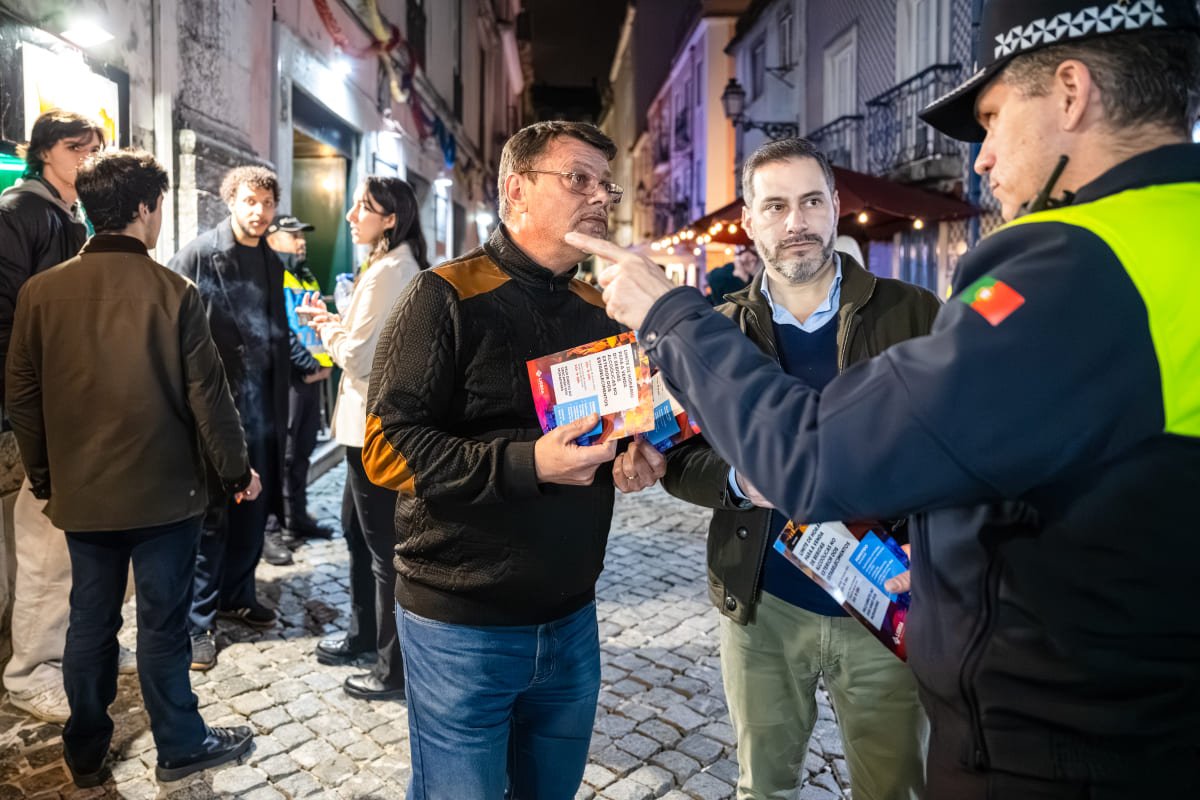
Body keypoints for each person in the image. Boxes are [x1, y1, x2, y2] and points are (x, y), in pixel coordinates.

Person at [574, 2, 1200, 797]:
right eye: (775, 206)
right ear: (753, 225)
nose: (982, 157)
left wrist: (669, 314)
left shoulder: (1077, 270)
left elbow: (815, 457)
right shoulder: (1171, 236)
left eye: (993, 118)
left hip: (1072, 744)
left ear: (1071, 93)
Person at [619, 138, 939, 800]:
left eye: (812, 202)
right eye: (776, 206)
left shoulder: (915, 313)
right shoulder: (714, 331)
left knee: (896, 789)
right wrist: (739, 483)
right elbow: (678, 459)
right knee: (763, 788)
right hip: (764, 605)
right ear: (750, 220)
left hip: (884, 605)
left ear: (836, 208)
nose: (796, 222)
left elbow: (956, 443)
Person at [364, 121, 648, 798]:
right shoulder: (443, 295)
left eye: (605, 185)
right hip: (461, 622)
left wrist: (635, 453)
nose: (600, 196)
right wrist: (529, 463)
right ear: (516, 190)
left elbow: (610, 433)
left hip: (572, 616)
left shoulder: (598, 309)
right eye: (578, 178)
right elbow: (385, 449)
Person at [5, 149, 256, 787]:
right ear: (145, 208)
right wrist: (236, 473)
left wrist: (45, 476)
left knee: (89, 621)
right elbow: (210, 399)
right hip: (166, 495)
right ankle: (180, 743)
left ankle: (85, 749)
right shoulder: (174, 292)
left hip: (83, 493)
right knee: (163, 625)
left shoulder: (41, 293)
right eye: (159, 204)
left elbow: (23, 397)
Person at [0, 109, 112, 723]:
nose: (87, 158)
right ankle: (30, 671)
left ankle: (69, 651)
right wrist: (28, 398)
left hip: (75, 394)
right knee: (45, 538)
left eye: (95, 148)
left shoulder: (71, 214)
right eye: (76, 148)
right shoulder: (20, 212)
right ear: (44, 152)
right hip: (45, 400)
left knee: (74, 540)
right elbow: (8, 318)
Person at [299, 177, 426, 701]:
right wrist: (334, 321)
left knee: (382, 550)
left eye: (363, 207)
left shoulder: (393, 270)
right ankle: (362, 636)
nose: (352, 216)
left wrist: (325, 330)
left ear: (390, 219)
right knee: (356, 534)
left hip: (373, 427)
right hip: (361, 425)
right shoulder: (385, 266)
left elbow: (357, 356)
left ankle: (391, 668)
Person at [169, 166, 291, 670]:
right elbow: (170, 326)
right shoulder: (198, 254)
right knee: (212, 517)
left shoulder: (273, 260)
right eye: (249, 201)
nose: (259, 212)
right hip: (216, 409)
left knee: (252, 511)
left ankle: (237, 594)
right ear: (230, 201)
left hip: (262, 407)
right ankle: (197, 622)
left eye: (267, 203)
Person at [265, 214, 333, 547]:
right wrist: (309, 367)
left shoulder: (305, 276)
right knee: (285, 455)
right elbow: (281, 331)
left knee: (303, 451)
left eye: (302, 236)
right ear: (273, 239)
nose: (301, 242)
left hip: (312, 378)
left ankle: (298, 518)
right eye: (294, 236)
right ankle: (277, 527)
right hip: (292, 379)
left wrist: (325, 363)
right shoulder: (273, 275)